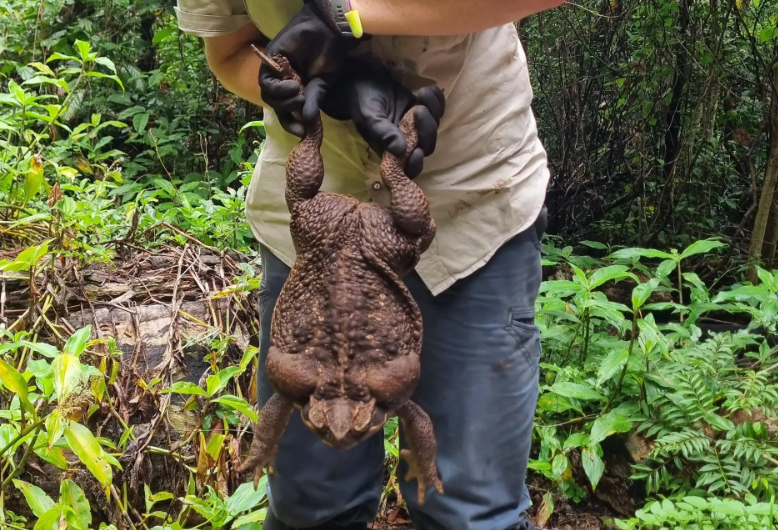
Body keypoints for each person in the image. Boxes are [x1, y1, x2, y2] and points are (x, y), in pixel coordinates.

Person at [173, 1, 563, 529]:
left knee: (470, 511)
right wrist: (301, 91)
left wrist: (349, 13)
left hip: (469, 200)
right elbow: (227, 52)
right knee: (311, 510)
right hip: (314, 225)